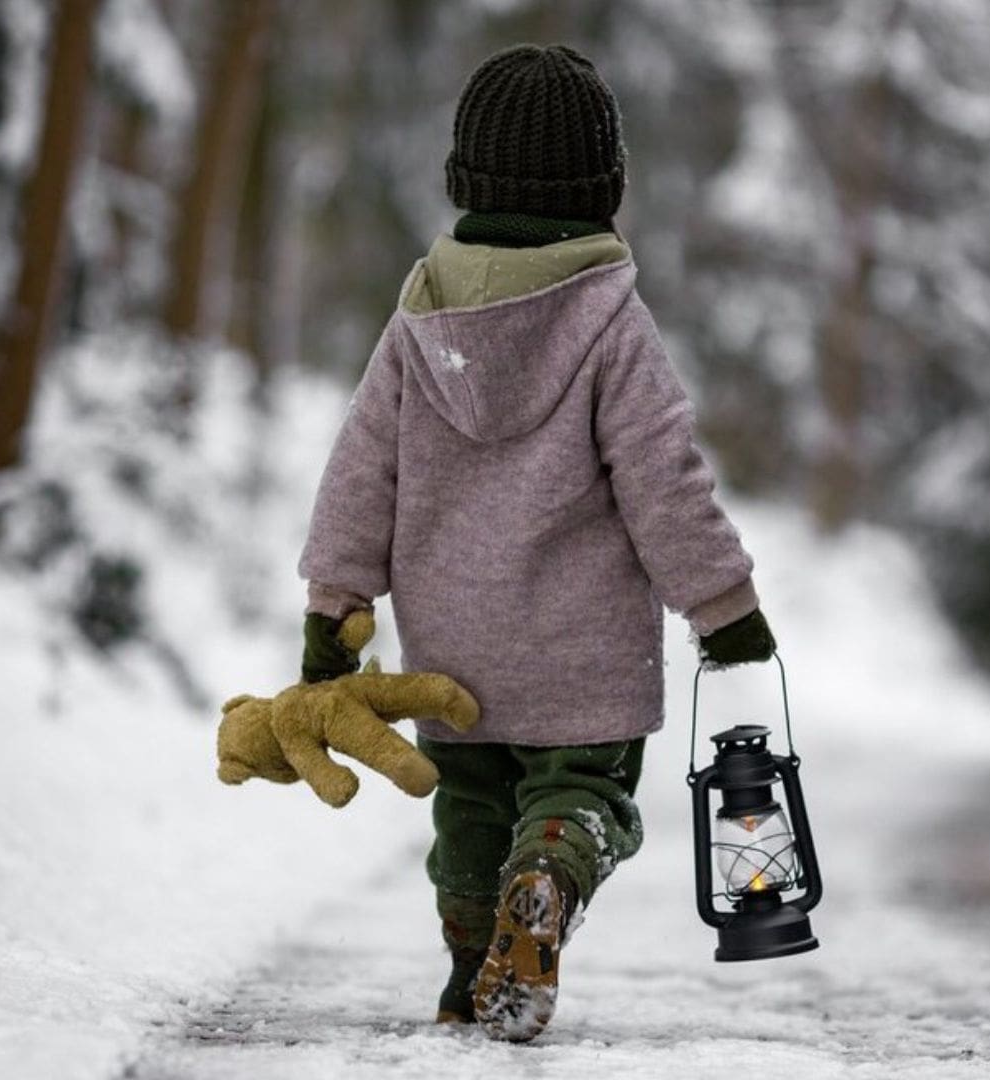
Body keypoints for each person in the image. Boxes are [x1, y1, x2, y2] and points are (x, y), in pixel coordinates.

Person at [297, 43, 776, 1043]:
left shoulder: (419, 318)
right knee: (581, 792)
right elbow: (664, 480)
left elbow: (361, 470)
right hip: (581, 653)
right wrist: (724, 608)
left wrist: (335, 605)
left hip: (453, 650)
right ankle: (550, 875)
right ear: (606, 188)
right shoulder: (613, 324)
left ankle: (471, 972)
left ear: (463, 176)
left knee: (470, 809)